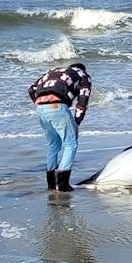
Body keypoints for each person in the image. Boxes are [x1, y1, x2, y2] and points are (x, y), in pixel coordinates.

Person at [28, 63, 92, 192]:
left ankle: (51, 184)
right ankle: (62, 184)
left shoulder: (53, 71)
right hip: (57, 106)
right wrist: (77, 122)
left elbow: (31, 89)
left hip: (41, 108)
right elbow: (83, 100)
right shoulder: (83, 75)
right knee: (71, 144)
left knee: (53, 144)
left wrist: (41, 104)